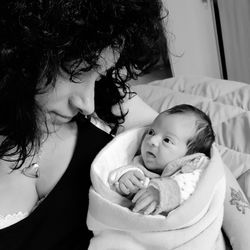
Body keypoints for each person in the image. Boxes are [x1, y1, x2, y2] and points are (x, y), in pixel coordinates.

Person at [0, 0, 249, 249]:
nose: (87, 103)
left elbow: (203, 162)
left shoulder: (109, 100)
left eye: (99, 75)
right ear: (22, 58)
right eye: (76, 73)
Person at [108, 104, 215, 215]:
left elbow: (199, 183)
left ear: (190, 154)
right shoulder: (137, 163)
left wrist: (162, 193)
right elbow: (116, 195)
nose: (152, 140)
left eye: (167, 140)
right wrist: (125, 181)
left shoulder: (196, 165)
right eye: (151, 132)